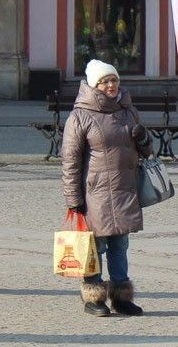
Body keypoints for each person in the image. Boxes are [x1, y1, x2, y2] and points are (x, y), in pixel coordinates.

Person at [61, 59, 150, 317]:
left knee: (120, 244)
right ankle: (93, 297)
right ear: (94, 85)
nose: (111, 85)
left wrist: (144, 138)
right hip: (95, 193)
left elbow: (146, 150)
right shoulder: (80, 116)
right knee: (95, 246)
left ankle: (121, 298)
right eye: (105, 81)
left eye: (114, 80)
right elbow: (70, 161)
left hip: (124, 189)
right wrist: (73, 199)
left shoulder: (128, 110)